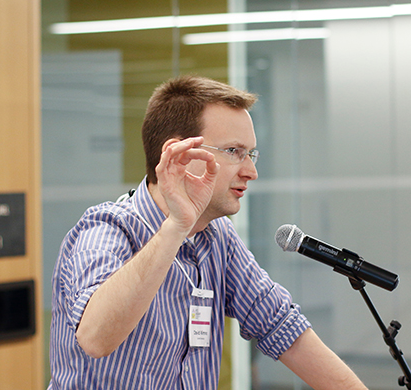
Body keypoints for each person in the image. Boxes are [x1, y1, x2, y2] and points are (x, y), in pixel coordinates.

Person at [48, 75, 368, 389]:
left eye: (251, 154)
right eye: (233, 151)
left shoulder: (217, 237)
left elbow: (280, 325)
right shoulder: (105, 230)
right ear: (181, 155)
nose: (251, 172)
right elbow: (94, 338)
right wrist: (176, 227)